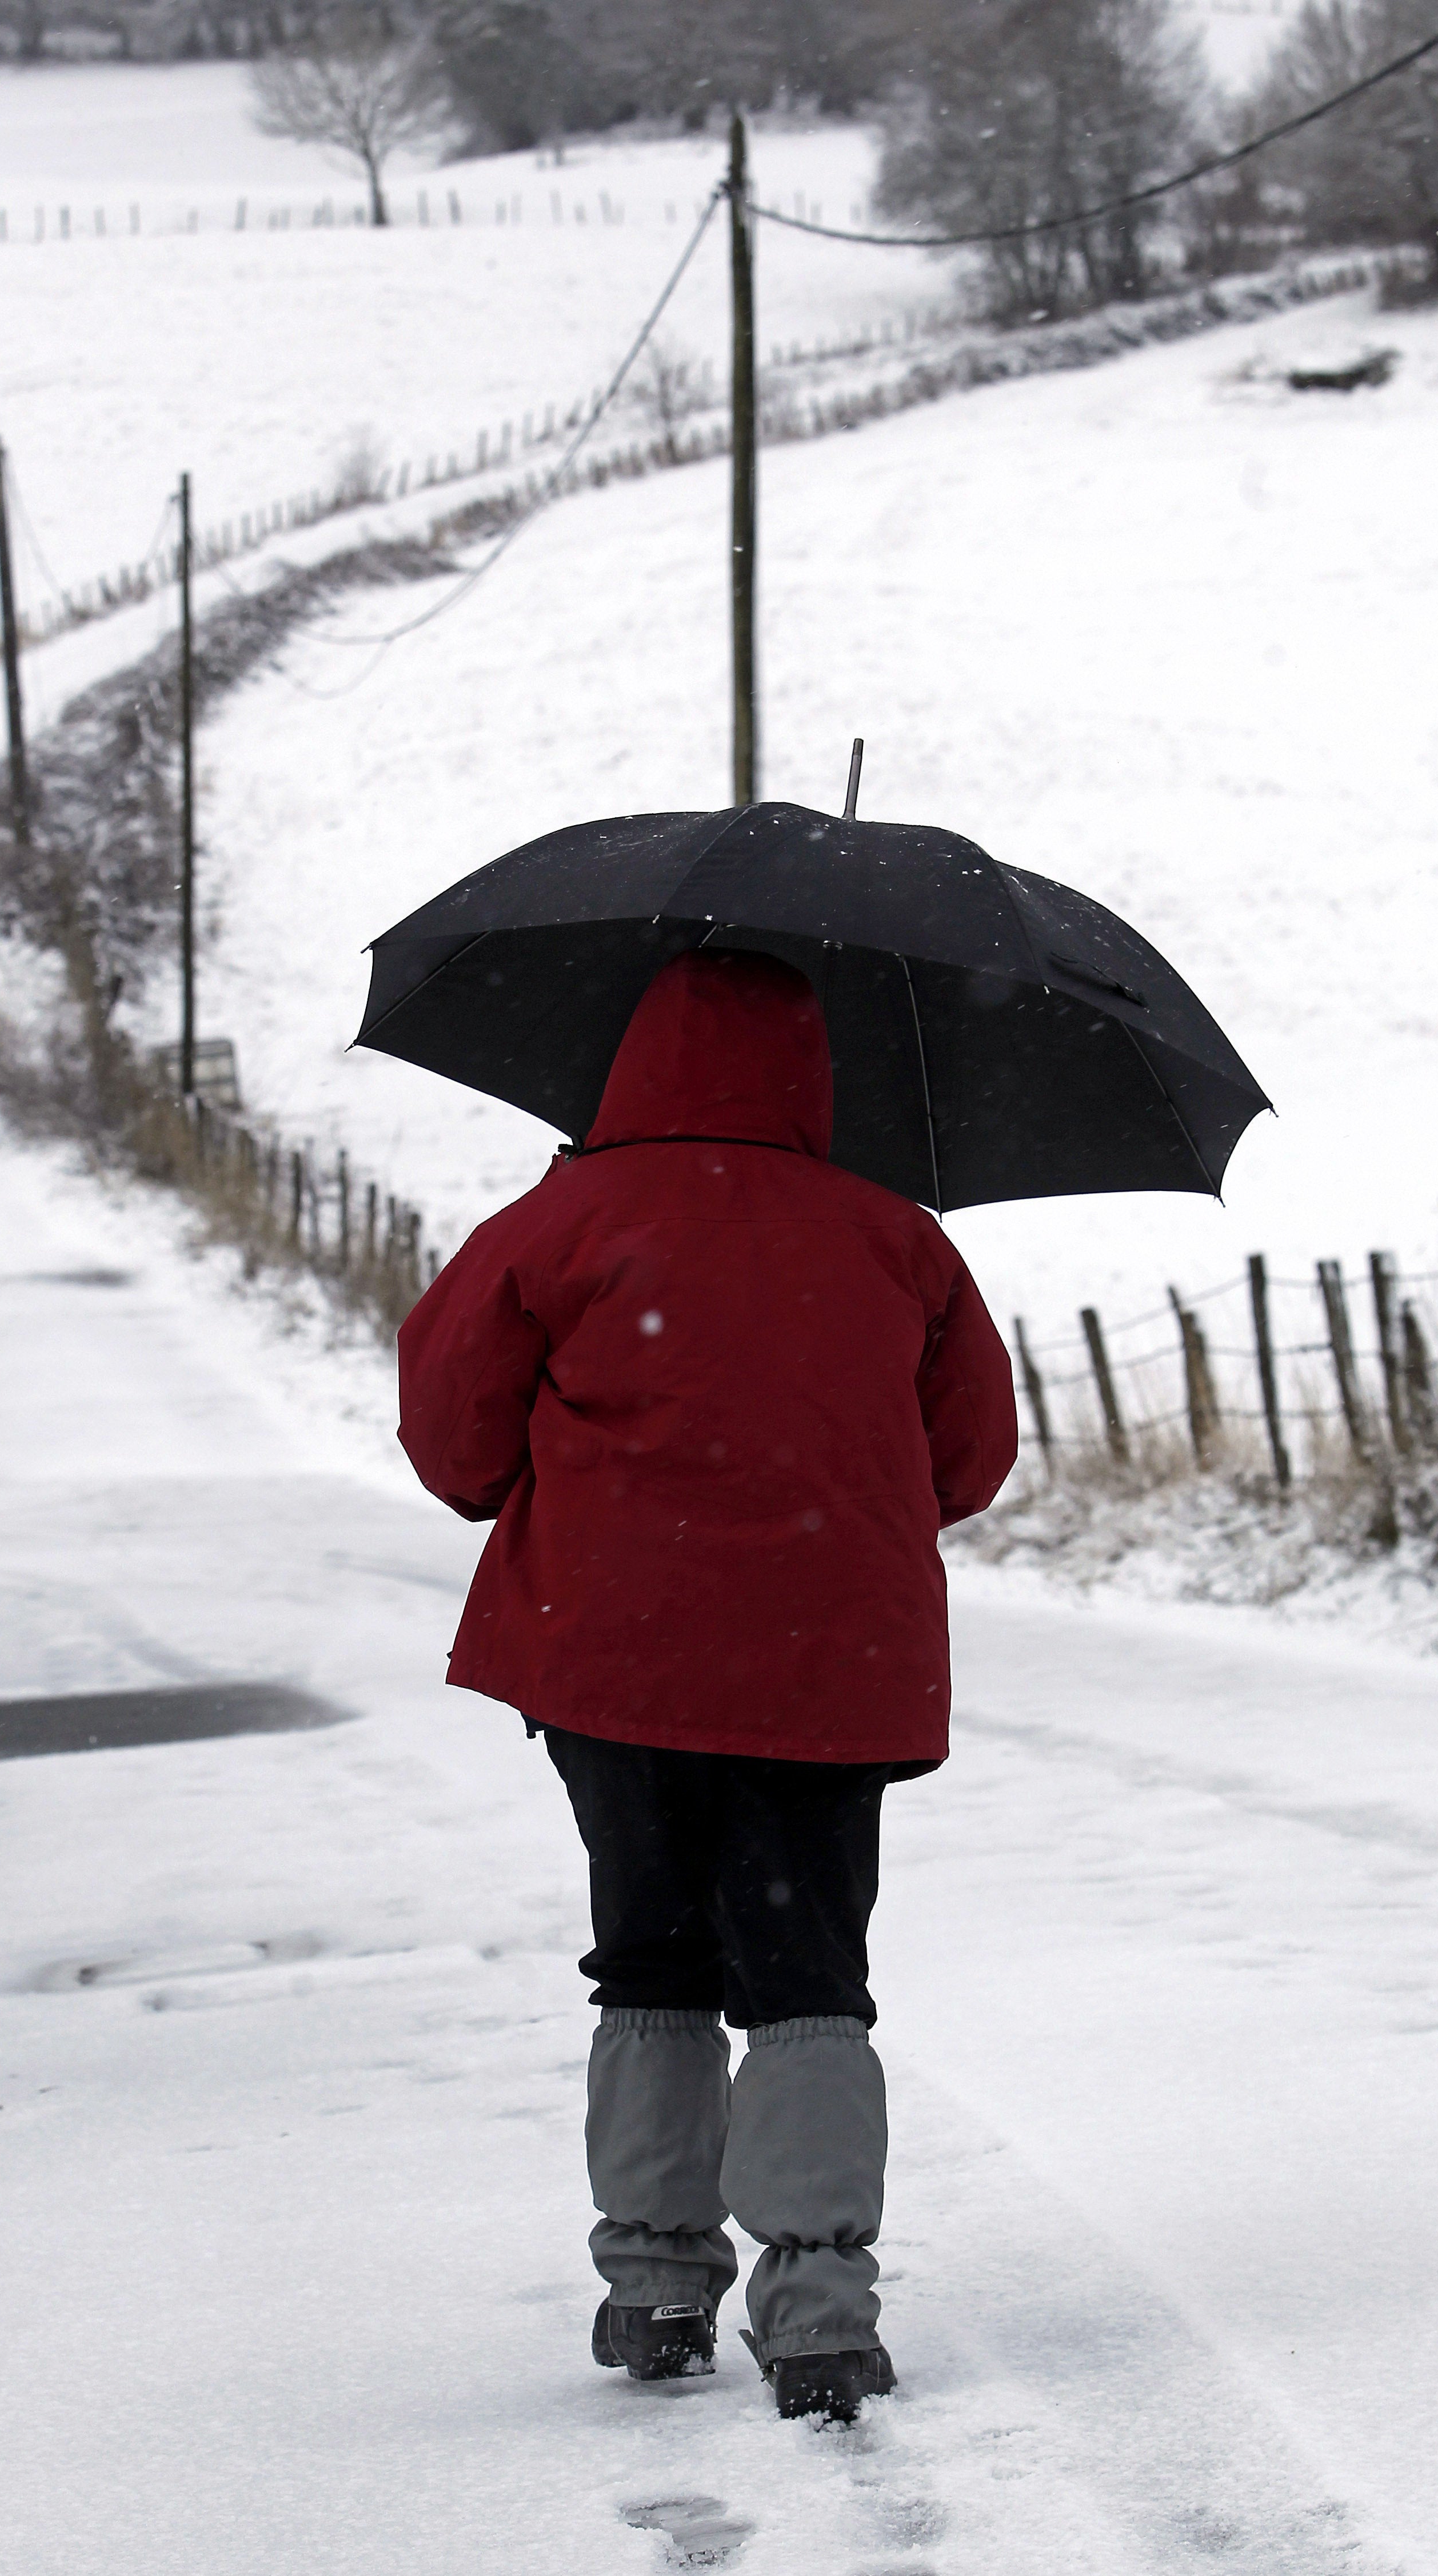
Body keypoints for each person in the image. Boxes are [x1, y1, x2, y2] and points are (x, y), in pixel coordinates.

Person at [397, 947, 1017, 2422]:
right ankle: (818, 2313)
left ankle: (660, 2278)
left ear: (627, 1060)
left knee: (650, 1952)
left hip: (611, 1660)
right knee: (810, 1976)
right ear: (815, 1071)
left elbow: (454, 1444)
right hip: (830, 1667)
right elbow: (971, 1460)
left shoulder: (558, 1221)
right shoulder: (897, 1238)